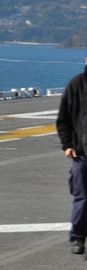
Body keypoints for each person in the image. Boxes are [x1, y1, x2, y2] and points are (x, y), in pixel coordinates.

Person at [57, 51, 87, 257]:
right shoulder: (76, 85)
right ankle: (77, 237)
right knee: (83, 198)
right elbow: (63, 119)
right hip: (81, 153)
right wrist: (67, 144)